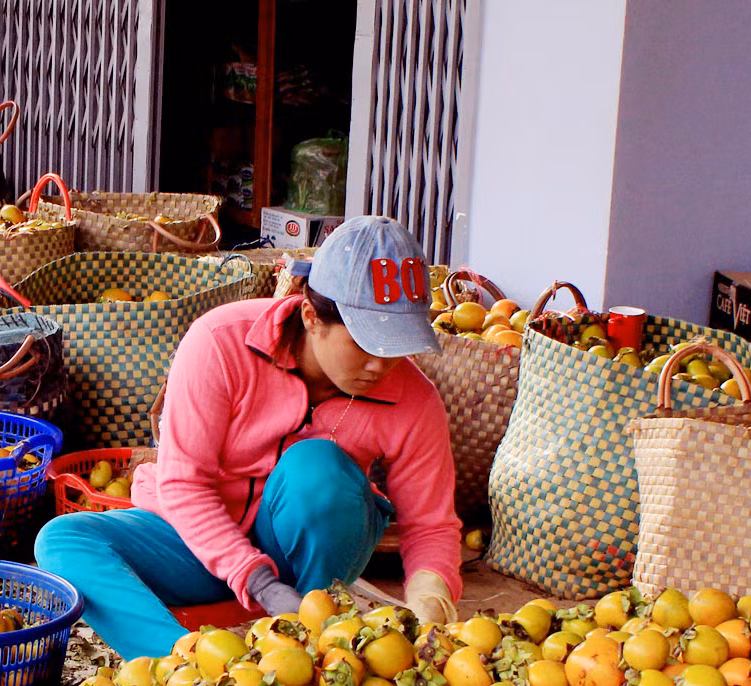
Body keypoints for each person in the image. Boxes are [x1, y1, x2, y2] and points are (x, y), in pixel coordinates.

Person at [36, 216, 462, 660]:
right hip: (193, 544)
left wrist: (431, 600)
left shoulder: (415, 400)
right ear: (311, 316)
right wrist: (257, 580)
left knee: (318, 468)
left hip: (303, 567)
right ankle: (182, 668)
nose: (381, 364)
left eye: (397, 345)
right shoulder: (221, 342)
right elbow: (185, 483)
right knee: (63, 540)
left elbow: (431, 526)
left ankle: (314, 645)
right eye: (366, 343)